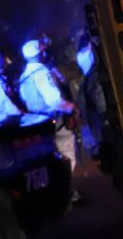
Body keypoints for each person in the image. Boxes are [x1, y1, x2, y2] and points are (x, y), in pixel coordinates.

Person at [19, 39, 80, 176]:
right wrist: (72, 107)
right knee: (67, 154)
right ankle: (68, 184)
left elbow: (24, 99)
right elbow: (53, 100)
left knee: (49, 159)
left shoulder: (24, 76)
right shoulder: (41, 72)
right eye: (44, 50)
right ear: (40, 54)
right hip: (54, 121)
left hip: (37, 124)